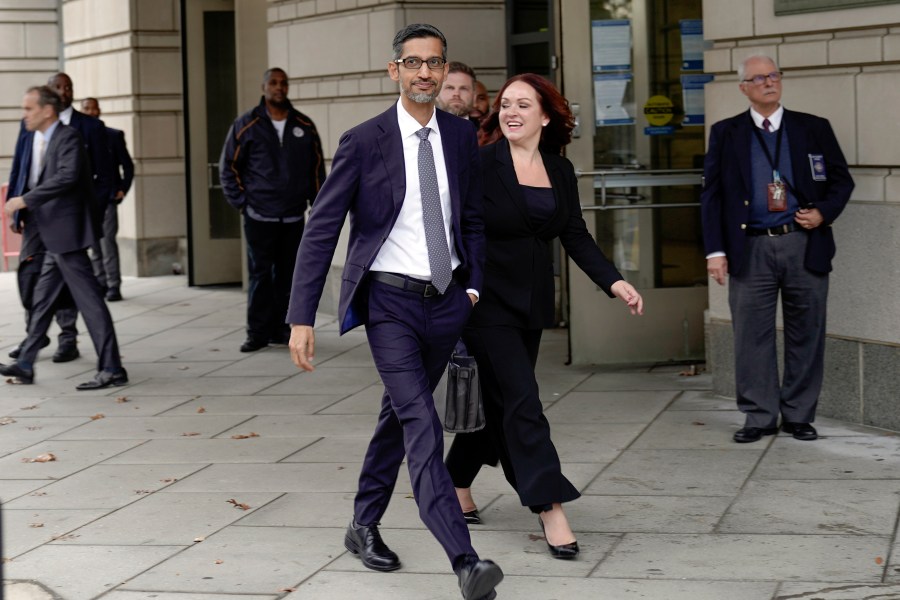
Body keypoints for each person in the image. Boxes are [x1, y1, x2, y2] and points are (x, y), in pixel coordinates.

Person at [286, 23, 503, 600]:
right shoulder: (364, 140)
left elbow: (472, 220)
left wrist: (472, 289)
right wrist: (301, 316)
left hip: (447, 303)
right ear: (395, 71)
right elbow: (322, 229)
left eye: (435, 63)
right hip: (388, 304)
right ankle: (465, 559)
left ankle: (362, 525)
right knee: (422, 425)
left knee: (397, 416)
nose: (425, 73)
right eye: (414, 63)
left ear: (444, 69)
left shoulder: (459, 137)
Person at [444, 73, 643, 560]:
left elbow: (574, 233)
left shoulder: (559, 169)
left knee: (499, 404)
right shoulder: (479, 162)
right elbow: (452, 229)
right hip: (484, 304)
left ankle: (454, 482)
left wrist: (613, 280)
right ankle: (549, 505)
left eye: (523, 105)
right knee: (522, 401)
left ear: (546, 115)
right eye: (506, 104)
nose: (511, 112)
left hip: (530, 306)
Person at [701, 54, 854, 444]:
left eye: (773, 76)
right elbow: (713, 196)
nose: (769, 82)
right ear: (744, 88)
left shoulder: (812, 128)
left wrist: (822, 212)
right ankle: (760, 415)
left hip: (805, 244)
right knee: (751, 335)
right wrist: (715, 252)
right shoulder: (726, 132)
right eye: (759, 78)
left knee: (807, 332)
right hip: (750, 247)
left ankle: (800, 414)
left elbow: (841, 181)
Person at [0, 86, 128, 390]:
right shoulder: (39, 138)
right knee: (42, 299)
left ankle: (111, 367)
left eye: (29, 109)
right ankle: (27, 362)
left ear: (47, 110)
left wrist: (24, 200)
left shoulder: (67, 137)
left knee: (91, 302)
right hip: (47, 232)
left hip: (67, 234)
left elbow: (67, 177)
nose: (24, 115)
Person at [220, 67, 325, 352]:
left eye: (283, 83)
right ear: (264, 87)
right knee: (260, 275)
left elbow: (317, 170)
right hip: (259, 215)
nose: (279, 87)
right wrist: (243, 203)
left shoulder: (304, 125)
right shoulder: (247, 125)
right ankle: (256, 332)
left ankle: (281, 329)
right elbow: (228, 167)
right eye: (274, 83)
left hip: (293, 216)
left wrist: (319, 207)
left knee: (289, 275)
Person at [47, 73, 116, 300]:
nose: (64, 92)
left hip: (76, 214)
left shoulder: (92, 127)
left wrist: (94, 210)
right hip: (44, 215)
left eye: (68, 87)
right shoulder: (35, 124)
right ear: (48, 91)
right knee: (40, 284)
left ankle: (106, 293)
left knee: (79, 280)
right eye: (58, 87)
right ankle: (51, 333)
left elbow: (106, 175)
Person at [81, 97, 134, 302]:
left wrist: (122, 189)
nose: (91, 112)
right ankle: (100, 282)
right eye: (87, 108)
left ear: (99, 111)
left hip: (108, 198)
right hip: (87, 199)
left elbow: (128, 166)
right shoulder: (76, 136)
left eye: (94, 108)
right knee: (94, 242)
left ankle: (113, 285)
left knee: (107, 242)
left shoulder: (113, 136)